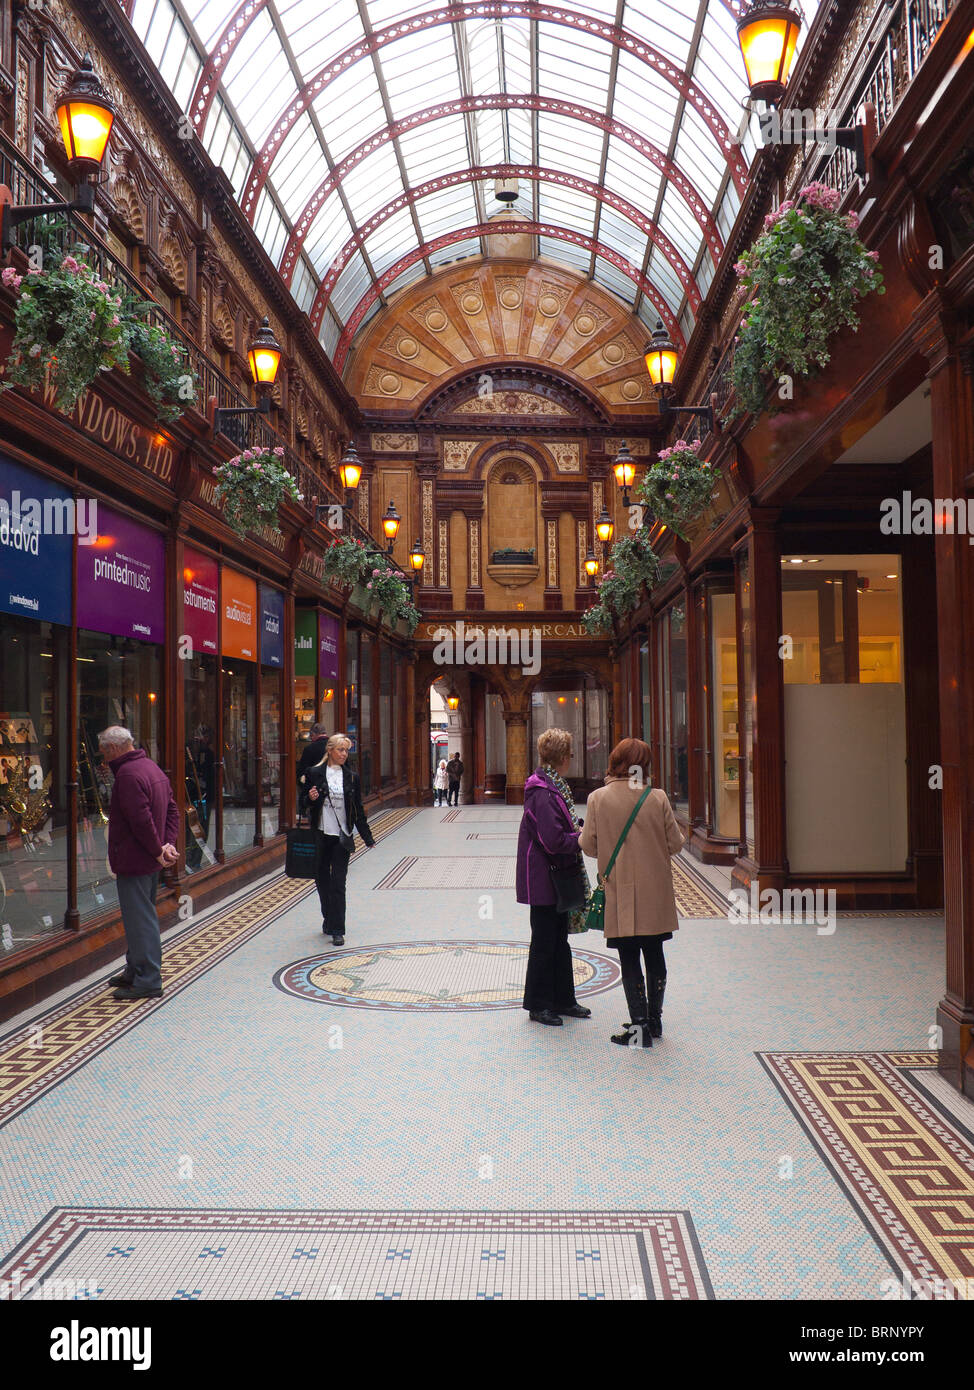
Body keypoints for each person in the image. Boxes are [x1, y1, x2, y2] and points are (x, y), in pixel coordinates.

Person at [579, 737, 684, 1048]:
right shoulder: (658, 798)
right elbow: (675, 844)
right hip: (656, 891)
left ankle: (638, 1028)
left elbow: (588, 845)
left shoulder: (599, 798)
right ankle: (655, 1021)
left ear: (615, 761)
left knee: (629, 958)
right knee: (655, 954)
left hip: (621, 890)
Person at [515, 727, 591, 1027]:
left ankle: (563, 999)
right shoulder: (543, 792)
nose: (571, 759)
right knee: (545, 941)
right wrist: (580, 838)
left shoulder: (553, 786)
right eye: (570, 754)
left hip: (555, 876)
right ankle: (539, 1004)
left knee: (559, 939)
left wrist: (576, 830)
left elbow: (560, 829)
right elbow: (552, 840)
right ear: (562, 757)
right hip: (544, 879)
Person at [99, 726, 179, 1002]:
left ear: (114, 748)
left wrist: (159, 849)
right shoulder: (150, 768)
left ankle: (148, 979)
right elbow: (172, 809)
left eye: (104, 751)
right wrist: (167, 845)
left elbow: (141, 821)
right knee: (139, 917)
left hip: (135, 859)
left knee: (140, 919)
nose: (104, 758)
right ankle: (135, 969)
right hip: (148, 858)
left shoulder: (128, 775)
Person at [300, 733, 374, 945]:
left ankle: (337, 929)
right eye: (340, 749)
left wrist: (367, 837)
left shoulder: (351, 777)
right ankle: (328, 917)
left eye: (346, 750)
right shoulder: (314, 773)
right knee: (322, 880)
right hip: (321, 835)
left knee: (338, 883)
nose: (344, 754)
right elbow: (302, 803)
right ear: (330, 750)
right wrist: (310, 798)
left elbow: (357, 809)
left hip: (343, 837)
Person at [296, 721, 329, 790]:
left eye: (311, 736)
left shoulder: (309, 749)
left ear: (313, 734)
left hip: (314, 787)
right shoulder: (334, 747)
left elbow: (302, 771)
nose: (311, 739)